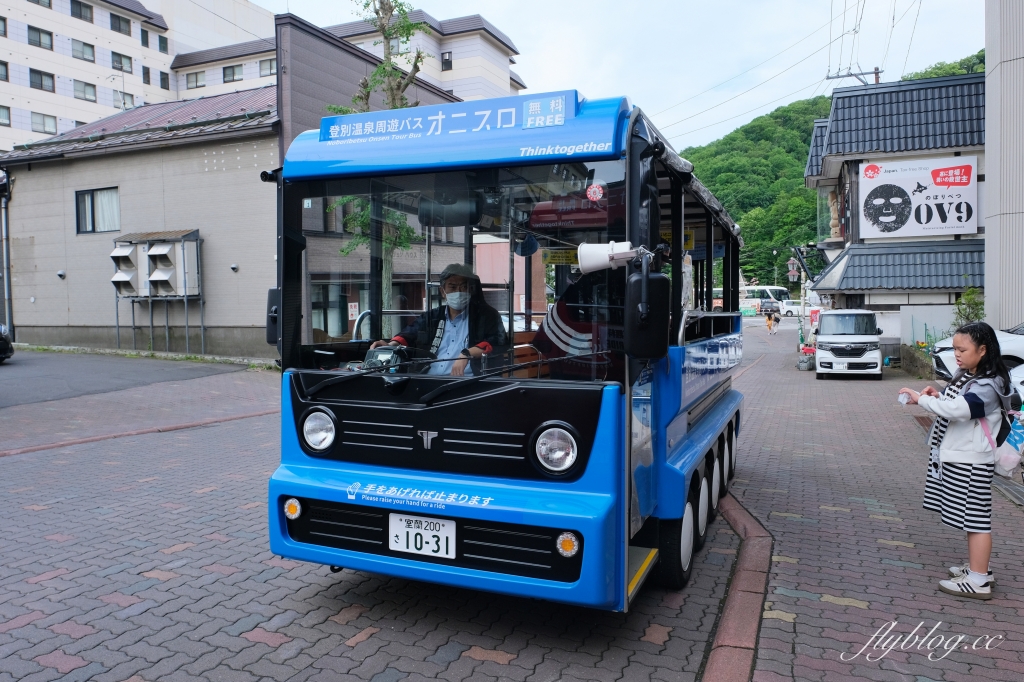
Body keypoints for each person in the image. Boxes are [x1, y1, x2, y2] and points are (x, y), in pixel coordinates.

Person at [899, 322, 1012, 600]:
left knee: (976, 521)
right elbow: (955, 403)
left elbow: (960, 410)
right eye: (955, 348)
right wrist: (937, 396)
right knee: (969, 517)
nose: (957, 354)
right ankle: (978, 570)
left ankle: (978, 580)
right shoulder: (971, 375)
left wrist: (922, 401)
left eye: (962, 349)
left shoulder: (987, 384)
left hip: (972, 460)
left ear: (983, 350)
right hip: (964, 456)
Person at [370, 263, 506, 376]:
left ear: (470, 290)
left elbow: (496, 342)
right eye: (452, 287)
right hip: (429, 381)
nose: (458, 291)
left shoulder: (486, 315)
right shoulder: (433, 316)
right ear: (443, 292)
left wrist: (467, 353)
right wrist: (390, 345)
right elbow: (410, 333)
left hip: (467, 383)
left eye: (463, 287)